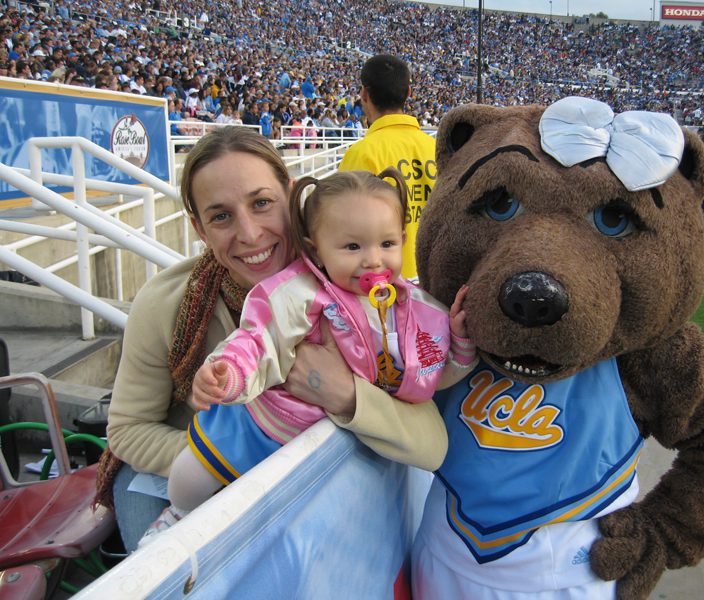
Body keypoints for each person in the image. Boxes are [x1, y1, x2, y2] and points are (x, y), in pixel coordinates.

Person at [96, 127, 448, 554]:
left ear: (293, 195)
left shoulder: (359, 295)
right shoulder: (162, 305)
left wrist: (346, 395)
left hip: (316, 488)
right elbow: (129, 431)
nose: (249, 233)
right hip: (175, 479)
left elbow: (430, 443)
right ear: (199, 228)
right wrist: (234, 463)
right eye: (221, 216)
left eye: (262, 203)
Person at [339, 54, 437, 282]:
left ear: (364, 93)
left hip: (387, 287)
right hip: (438, 285)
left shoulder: (361, 154)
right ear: (408, 94)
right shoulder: (436, 148)